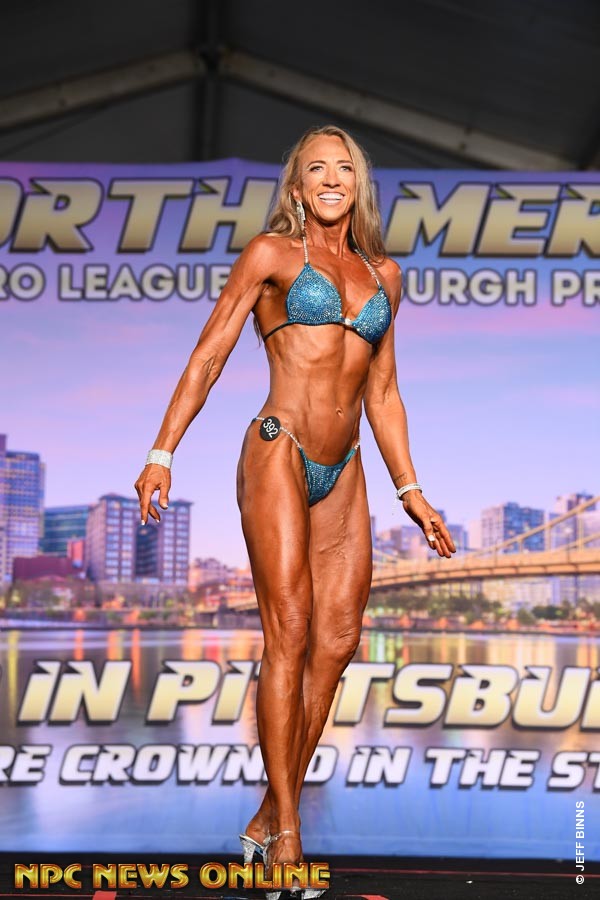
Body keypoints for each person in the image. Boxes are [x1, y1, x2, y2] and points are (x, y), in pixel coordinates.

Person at [134, 124, 456, 898]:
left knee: (338, 643)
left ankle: (265, 816)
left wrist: (412, 490)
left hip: (345, 468)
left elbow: (383, 392)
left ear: (359, 183)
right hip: (278, 448)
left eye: (345, 167)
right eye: (317, 167)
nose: (332, 177)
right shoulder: (271, 255)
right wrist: (162, 451)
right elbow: (210, 352)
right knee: (291, 632)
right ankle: (289, 837)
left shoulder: (385, 275)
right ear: (298, 186)